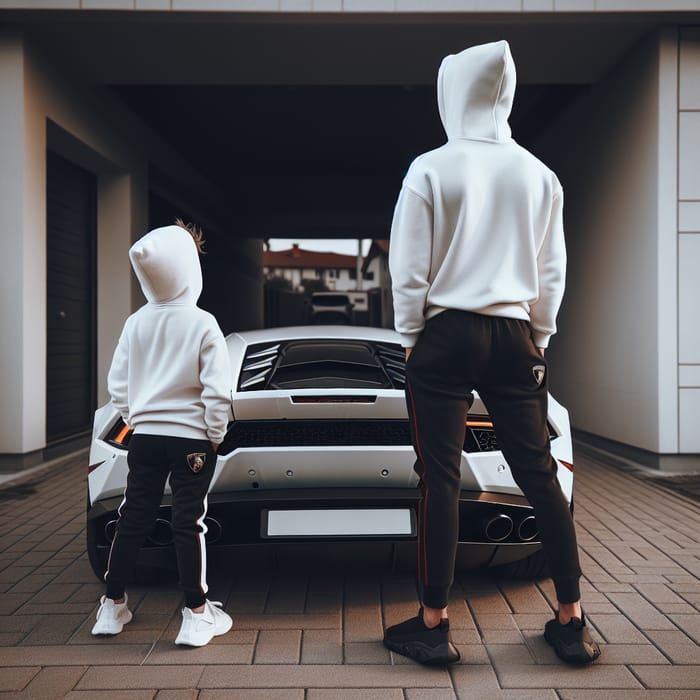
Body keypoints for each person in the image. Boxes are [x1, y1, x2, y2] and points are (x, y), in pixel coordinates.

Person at [383, 40, 601, 666]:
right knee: (540, 474)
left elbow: (408, 267)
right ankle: (571, 621)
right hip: (514, 336)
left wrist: (411, 337)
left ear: (452, 93)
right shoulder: (539, 174)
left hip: (445, 334)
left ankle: (434, 625)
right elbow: (551, 270)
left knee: (440, 479)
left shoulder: (430, 167)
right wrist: (540, 336)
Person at [91, 220, 233, 647]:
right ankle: (195, 612)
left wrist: (140, 418)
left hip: (146, 439)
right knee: (188, 522)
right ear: (190, 270)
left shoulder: (136, 323)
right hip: (192, 440)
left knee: (132, 518)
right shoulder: (203, 323)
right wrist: (213, 434)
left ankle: (112, 606)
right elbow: (217, 391)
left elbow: (117, 385)